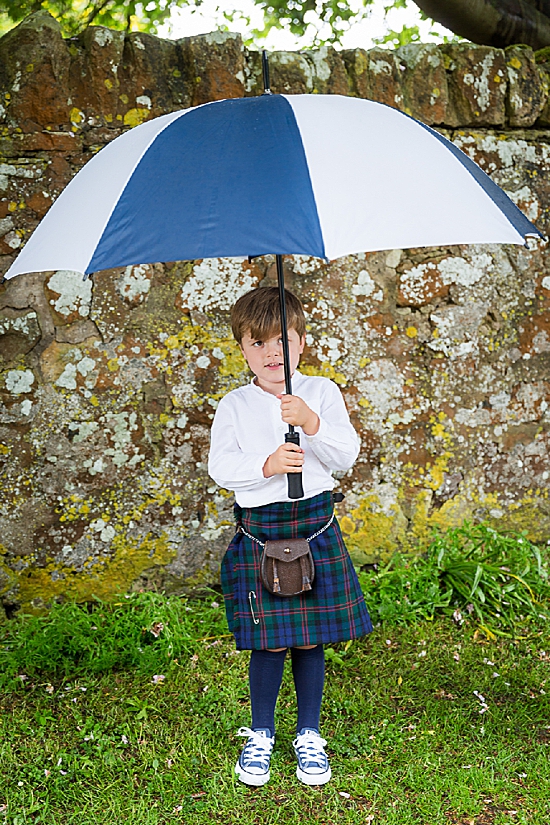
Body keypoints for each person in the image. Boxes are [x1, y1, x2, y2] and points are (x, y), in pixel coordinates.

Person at [208, 286, 372, 787]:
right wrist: (267, 464)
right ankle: (260, 733)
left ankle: (309, 734)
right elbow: (221, 467)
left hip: (315, 525)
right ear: (243, 350)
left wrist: (311, 421)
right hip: (262, 532)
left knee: (308, 640)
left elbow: (345, 456)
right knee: (270, 642)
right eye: (258, 343)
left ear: (300, 343)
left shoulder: (320, 392)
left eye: (282, 340)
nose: (272, 352)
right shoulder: (234, 405)